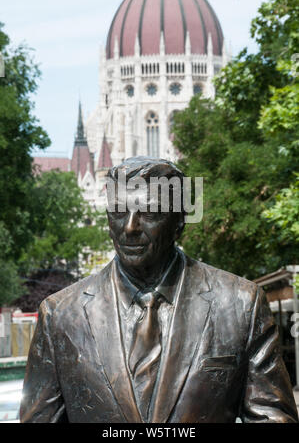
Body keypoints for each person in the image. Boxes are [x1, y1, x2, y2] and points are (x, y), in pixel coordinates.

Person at [20, 157, 298, 423]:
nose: (129, 227)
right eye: (118, 211)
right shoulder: (60, 315)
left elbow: (272, 416)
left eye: (149, 213)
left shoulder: (240, 304)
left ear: (179, 221)